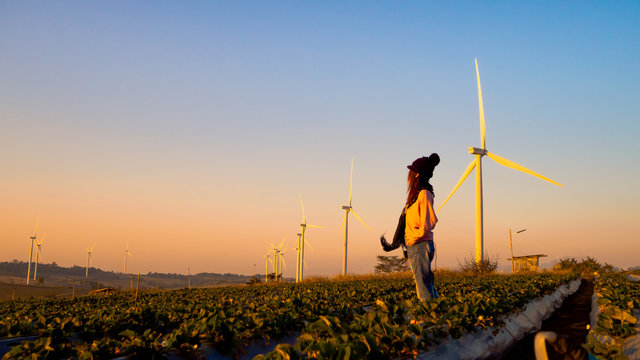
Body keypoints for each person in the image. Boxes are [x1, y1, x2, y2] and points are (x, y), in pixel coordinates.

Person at [405, 153, 440, 300]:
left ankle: (426, 316)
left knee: (422, 284)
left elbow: (429, 221)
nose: (409, 174)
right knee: (425, 282)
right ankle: (435, 312)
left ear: (418, 174)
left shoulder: (424, 194)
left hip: (420, 244)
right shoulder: (417, 194)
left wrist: (413, 237)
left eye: (412, 171)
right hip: (417, 244)